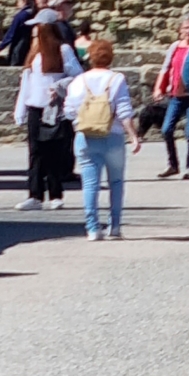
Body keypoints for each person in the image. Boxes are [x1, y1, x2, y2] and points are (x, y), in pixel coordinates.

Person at [65, 36, 139, 240]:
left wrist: (81, 122)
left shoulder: (79, 81)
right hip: (112, 135)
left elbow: (69, 111)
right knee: (116, 182)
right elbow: (124, 111)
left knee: (90, 184)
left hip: (86, 136)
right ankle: (114, 226)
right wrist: (133, 136)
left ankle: (92, 228)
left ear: (90, 57)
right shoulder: (117, 79)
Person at [13, 13, 80, 207]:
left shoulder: (63, 50)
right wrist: (21, 111)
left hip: (53, 109)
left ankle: (56, 195)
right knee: (35, 152)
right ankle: (34, 195)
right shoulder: (34, 52)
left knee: (54, 152)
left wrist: (59, 86)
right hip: (35, 106)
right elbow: (27, 82)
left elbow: (77, 75)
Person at [154, 13, 189, 179]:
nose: (188, 31)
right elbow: (165, 68)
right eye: (186, 27)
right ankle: (173, 164)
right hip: (175, 95)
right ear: (180, 30)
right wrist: (158, 88)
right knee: (167, 129)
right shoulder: (175, 47)